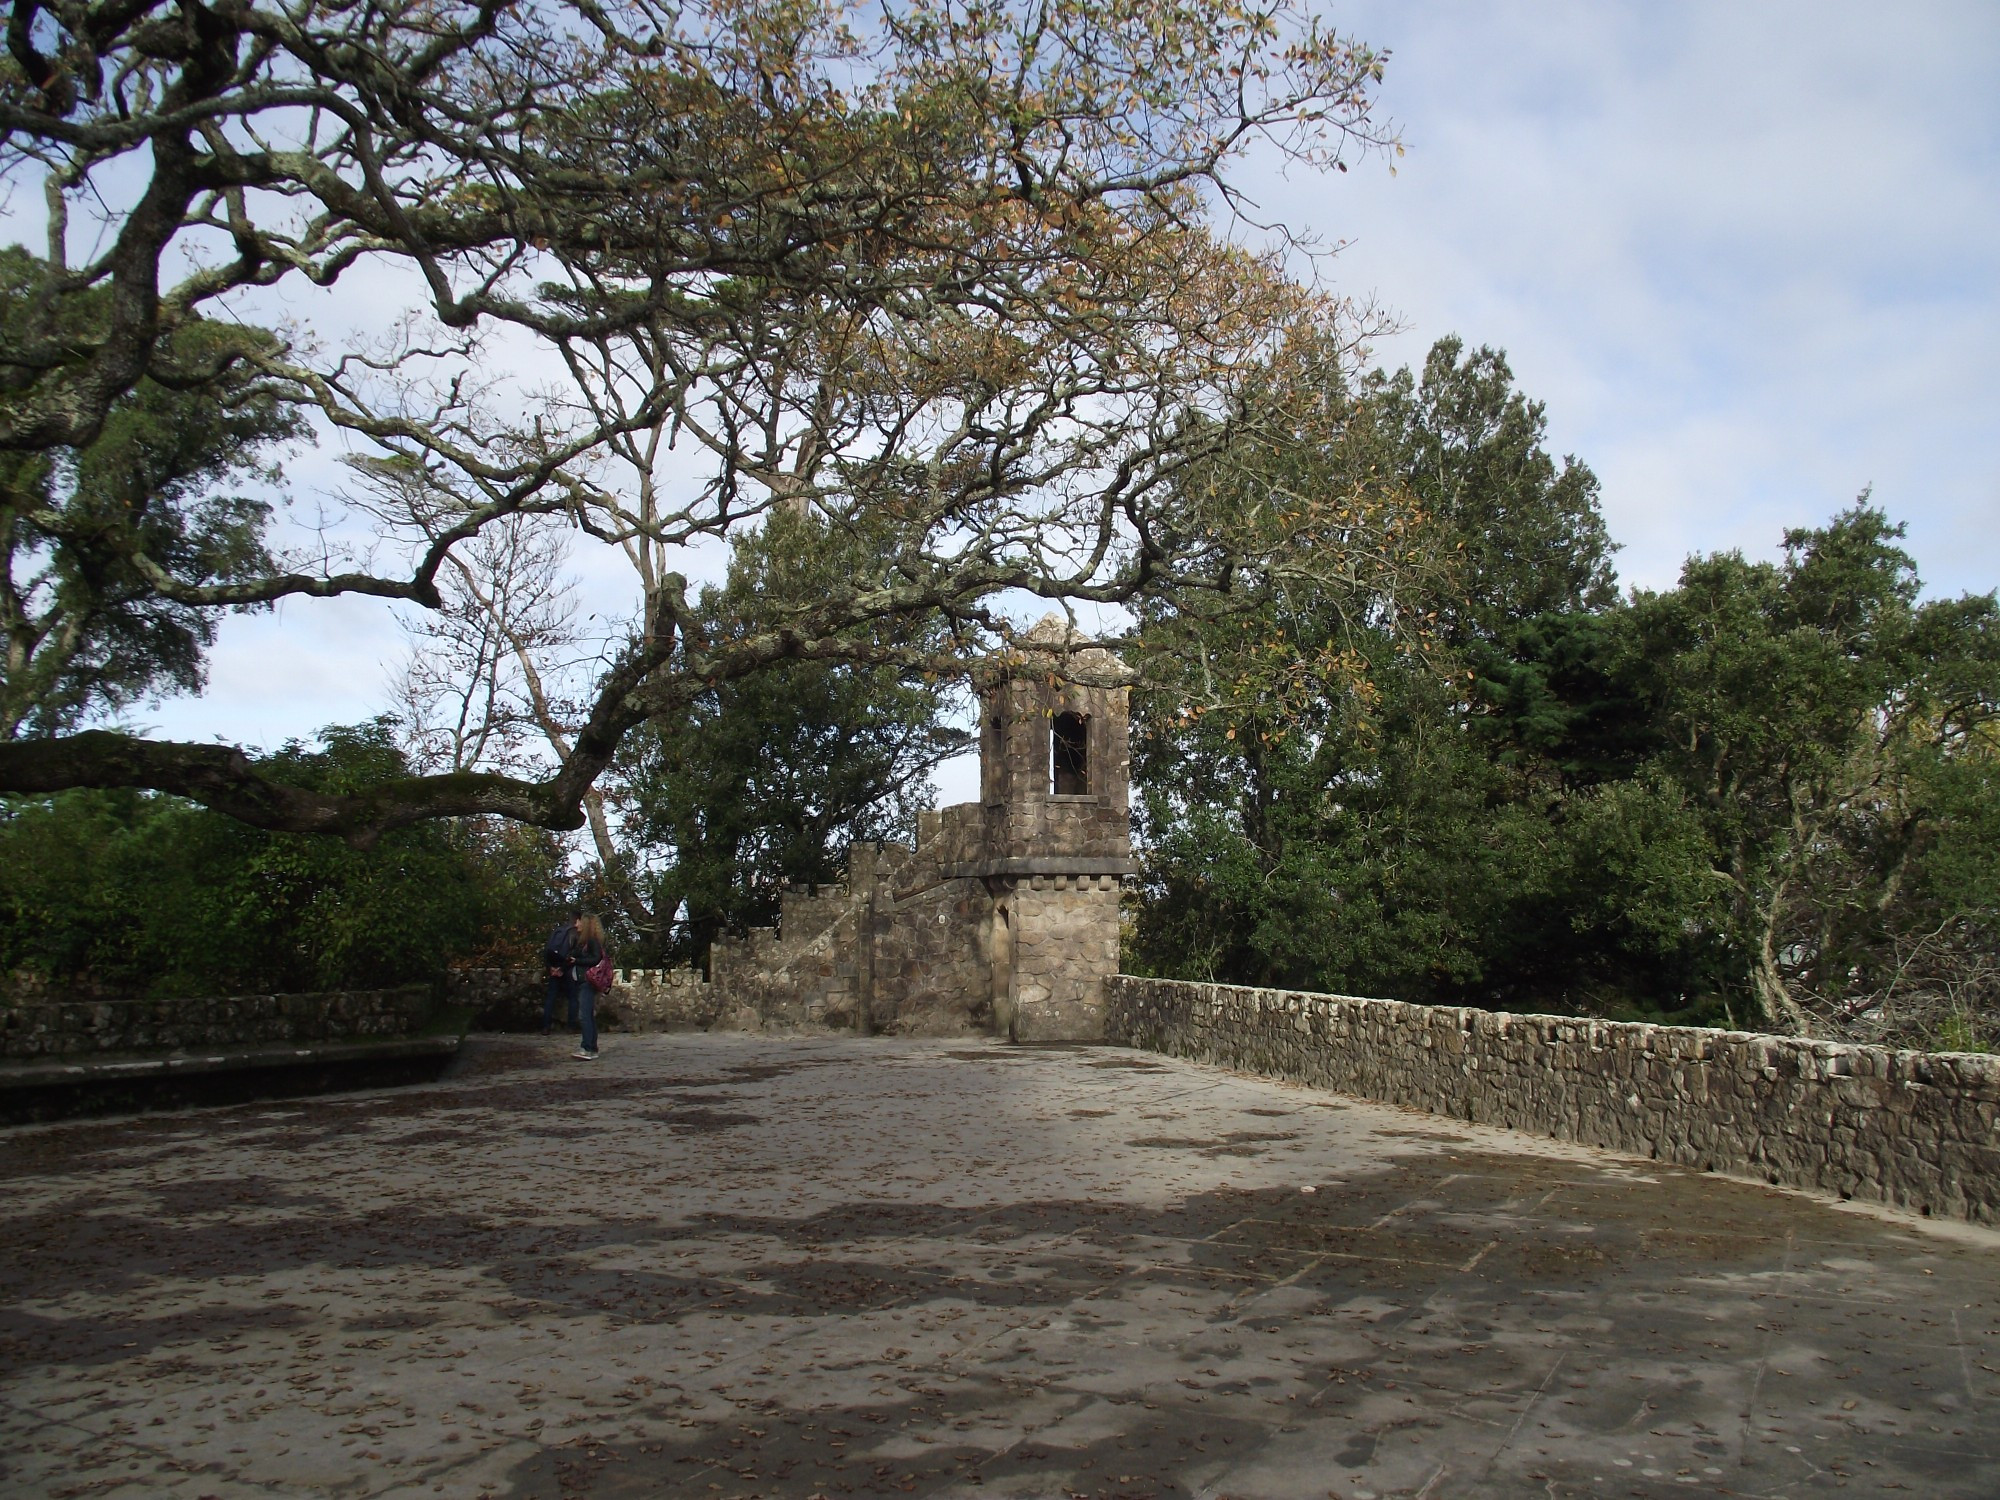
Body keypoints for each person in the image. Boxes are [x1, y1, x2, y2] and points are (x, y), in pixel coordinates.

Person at [569, 913, 609, 1061]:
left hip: (587, 981)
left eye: (579, 922)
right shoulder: (587, 942)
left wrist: (577, 960)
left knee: (585, 1015)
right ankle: (591, 1047)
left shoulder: (592, 941)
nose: (576, 925)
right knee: (588, 1015)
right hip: (585, 981)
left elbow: (595, 958)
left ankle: (588, 1047)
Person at [539, 914, 578, 1036]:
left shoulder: (557, 931)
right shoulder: (575, 933)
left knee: (551, 997)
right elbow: (574, 955)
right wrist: (562, 968)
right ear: (577, 921)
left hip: (553, 967)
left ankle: (546, 1027)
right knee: (573, 997)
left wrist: (551, 968)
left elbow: (547, 951)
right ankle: (571, 1026)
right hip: (567, 969)